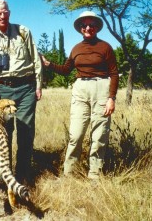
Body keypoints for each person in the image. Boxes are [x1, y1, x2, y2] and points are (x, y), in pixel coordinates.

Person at [42, 11, 119, 180]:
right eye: (84, 25)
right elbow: (66, 69)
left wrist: (111, 98)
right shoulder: (76, 48)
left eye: (92, 25)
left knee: (99, 135)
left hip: (101, 88)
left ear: (97, 27)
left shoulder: (105, 47)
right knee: (75, 134)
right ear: (80, 28)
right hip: (80, 88)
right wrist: (48, 64)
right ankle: (69, 174)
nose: (88, 28)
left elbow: (114, 73)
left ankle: (94, 175)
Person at [0, 0, 43, 184]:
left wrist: (38, 85)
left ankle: (23, 177)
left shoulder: (24, 32)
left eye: (5, 12)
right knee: (3, 135)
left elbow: (36, 60)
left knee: (26, 132)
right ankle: (6, 179)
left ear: (10, 13)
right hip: (2, 90)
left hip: (26, 89)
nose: (2, 16)